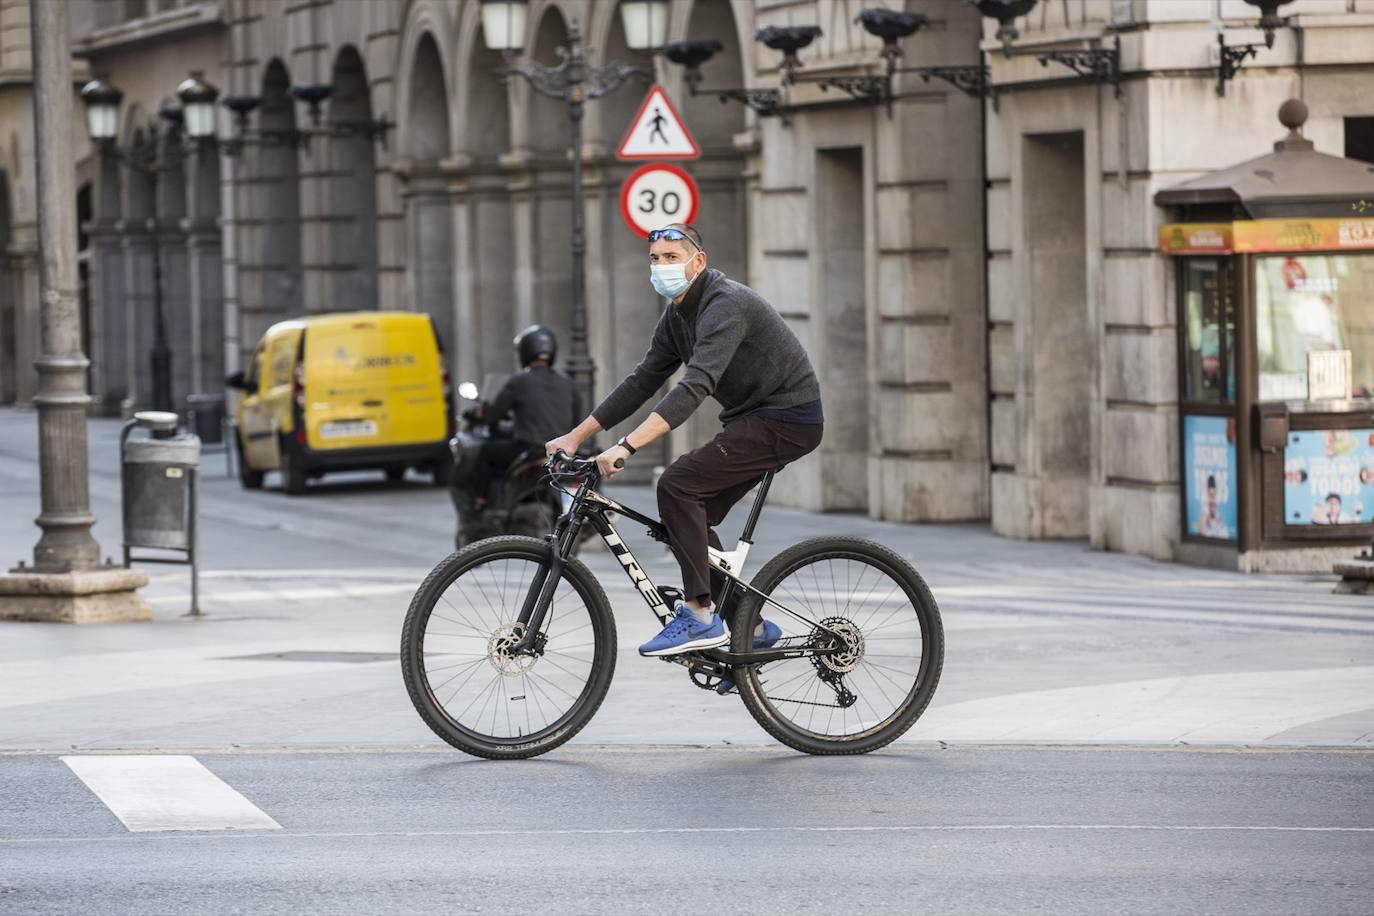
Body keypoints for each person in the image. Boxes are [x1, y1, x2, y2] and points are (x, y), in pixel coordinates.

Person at [546, 223, 823, 657]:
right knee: (686, 519)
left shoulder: (724, 304)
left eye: (672, 258)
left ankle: (699, 615)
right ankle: (750, 627)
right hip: (753, 420)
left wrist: (627, 446)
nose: (661, 267)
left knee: (677, 485)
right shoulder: (678, 315)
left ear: (699, 261)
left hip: (787, 418)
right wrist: (576, 436)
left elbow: (695, 386)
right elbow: (642, 381)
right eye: (655, 259)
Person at [460, 325, 579, 508]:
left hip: (530, 449)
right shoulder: (567, 383)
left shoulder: (519, 381)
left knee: (485, 452)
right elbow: (577, 419)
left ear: (524, 352)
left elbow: (492, 414)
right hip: (563, 452)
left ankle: (480, 502)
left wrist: (474, 413)